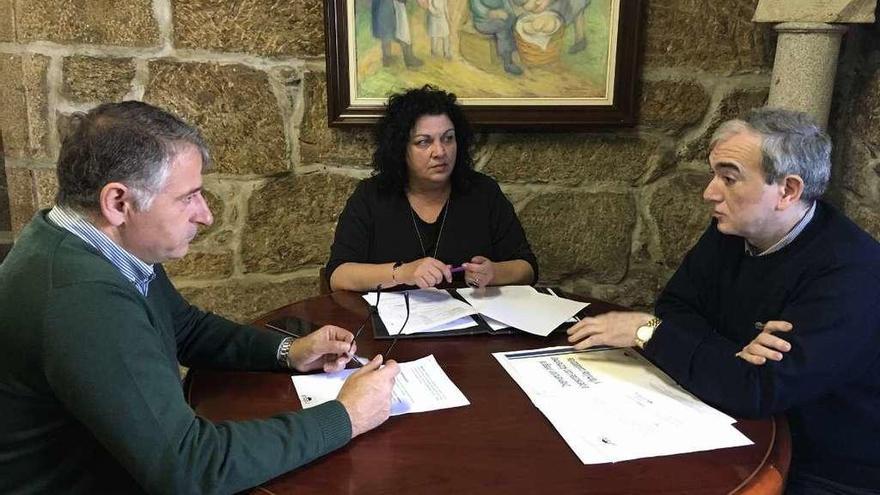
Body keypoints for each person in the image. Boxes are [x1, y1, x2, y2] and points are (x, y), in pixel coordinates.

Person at [0, 101, 400, 494]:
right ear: (118, 203)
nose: (205, 215)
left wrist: (290, 351)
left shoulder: (90, 244)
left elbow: (185, 327)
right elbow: (189, 467)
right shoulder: (80, 300)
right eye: (187, 197)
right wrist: (347, 415)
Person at [566, 108, 880, 494]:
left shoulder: (851, 272)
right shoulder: (733, 228)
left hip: (825, 468)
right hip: (731, 421)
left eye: (729, 178)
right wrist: (736, 352)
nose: (710, 192)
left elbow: (757, 390)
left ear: (788, 190)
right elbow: (675, 307)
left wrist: (647, 332)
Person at [327, 85, 538, 292]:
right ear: (400, 148)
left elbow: (527, 268)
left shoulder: (483, 191)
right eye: (423, 142)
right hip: (395, 322)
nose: (440, 151)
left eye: (448, 138)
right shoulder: (371, 196)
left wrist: (495, 272)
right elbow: (338, 275)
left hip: (470, 322)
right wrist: (402, 272)